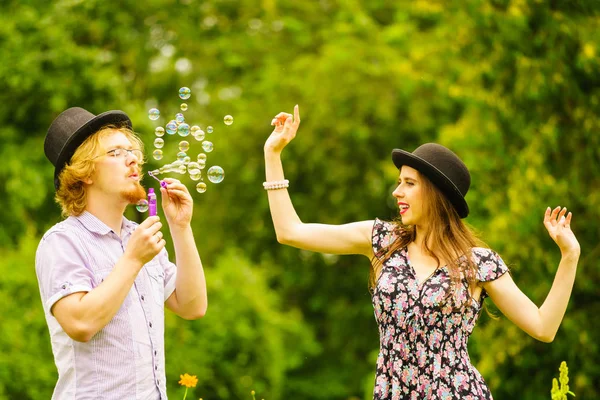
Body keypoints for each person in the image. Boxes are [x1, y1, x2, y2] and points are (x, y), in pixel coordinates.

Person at [263, 105, 581, 399]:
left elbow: (543, 327)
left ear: (435, 193)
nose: (397, 192)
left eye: (409, 183)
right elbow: (290, 232)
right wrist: (273, 154)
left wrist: (569, 257)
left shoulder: (478, 264)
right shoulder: (381, 241)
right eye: (399, 182)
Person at [36, 107, 208, 399]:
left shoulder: (137, 238)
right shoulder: (62, 242)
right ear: (85, 172)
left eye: (132, 151)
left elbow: (192, 305)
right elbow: (80, 323)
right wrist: (132, 260)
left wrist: (180, 227)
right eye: (115, 152)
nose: (132, 159)